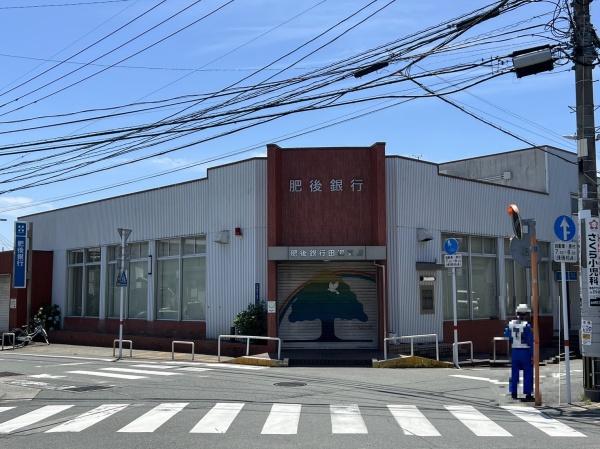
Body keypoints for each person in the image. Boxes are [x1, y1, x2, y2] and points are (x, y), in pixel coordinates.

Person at [504, 304, 534, 401]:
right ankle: (528, 394)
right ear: (526, 314)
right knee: (528, 373)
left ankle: (513, 392)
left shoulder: (511, 324)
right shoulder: (526, 326)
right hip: (525, 351)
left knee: (514, 373)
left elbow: (507, 335)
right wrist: (533, 354)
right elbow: (530, 341)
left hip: (515, 351)